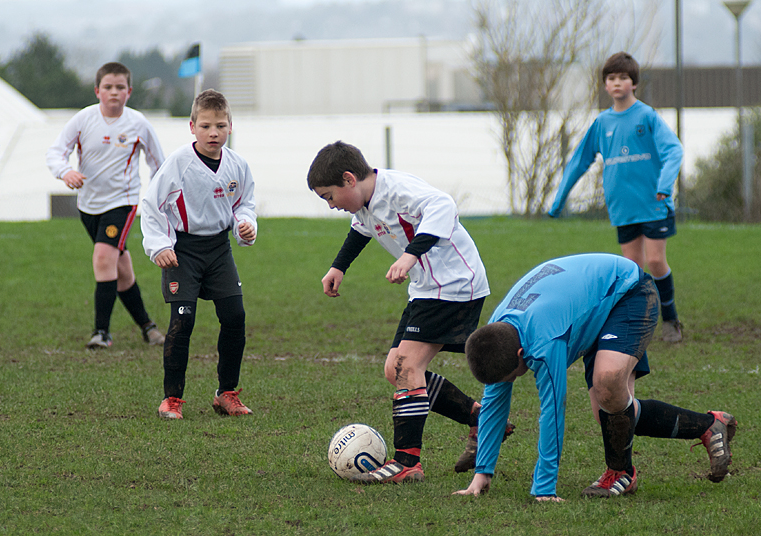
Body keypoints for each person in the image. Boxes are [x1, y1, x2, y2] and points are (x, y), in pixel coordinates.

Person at [307, 141, 514, 484]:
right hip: (427, 288)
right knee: (395, 369)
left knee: (407, 367)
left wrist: (410, 255)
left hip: (453, 285)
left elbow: (444, 205)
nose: (330, 205)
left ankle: (407, 462)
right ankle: (482, 418)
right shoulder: (365, 203)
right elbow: (362, 229)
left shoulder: (398, 189)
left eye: (329, 196)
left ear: (348, 180)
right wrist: (338, 267)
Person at [455, 253, 737, 500]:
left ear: (520, 353)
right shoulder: (497, 334)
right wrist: (482, 474)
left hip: (628, 291)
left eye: (512, 376)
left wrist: (544, 489)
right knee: (611, 412)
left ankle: (621, 473)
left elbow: (552, 412)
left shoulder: (543, 343)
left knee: (608, 386)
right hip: (589, 305)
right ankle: (709, 425)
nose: (511, 382)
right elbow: (493, 405)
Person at [549, 52, 684, 343]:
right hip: (623, 209)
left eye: (623, 77)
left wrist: (664, 184)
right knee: (632, 269)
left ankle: (671, 320)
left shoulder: (646, 116)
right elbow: (579, 161)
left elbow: (674, 150)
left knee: (656, 261)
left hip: (654, 203)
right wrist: (560, 198)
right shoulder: (602, 122)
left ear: (633, 83)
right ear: (605, 85)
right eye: (611, 78)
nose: (617, 83)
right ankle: (640, 322)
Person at [141, 89, 256, 420]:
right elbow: (151, 205)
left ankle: (227, 394)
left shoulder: (238, 165)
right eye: (206, 126)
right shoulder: (178, 163)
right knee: (183, 320)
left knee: (235, 317)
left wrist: (246, 224)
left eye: (220, 125)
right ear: (192, 126)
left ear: (230, 126)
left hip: (220, 249)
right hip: (183, 252)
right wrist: (159, 245)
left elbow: (243, 203)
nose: (213, 133)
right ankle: (172, 399)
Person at [46, 61, 166, 349]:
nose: (114, 92)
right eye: (108, 87)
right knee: (121, 269)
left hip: (122, 204)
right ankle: (148, 328)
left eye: (120, 87)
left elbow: (159, 164)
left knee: (103, 258)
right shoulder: (83, 119)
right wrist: (66, 172)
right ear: (98, 90)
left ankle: (102, 332)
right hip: (88, 206)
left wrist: (158, 201)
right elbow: (55, 153)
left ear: (129, 91)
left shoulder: (138, 123)